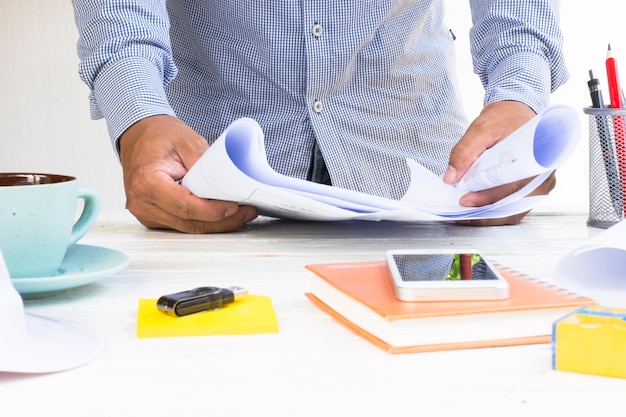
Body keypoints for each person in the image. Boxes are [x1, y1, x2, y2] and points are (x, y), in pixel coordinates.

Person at [71, 1, 567, 233]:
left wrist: (519, 99)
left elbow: (517, 13)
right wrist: (139, 117)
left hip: (425, 181)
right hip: (212, 185)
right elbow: (119, 15)